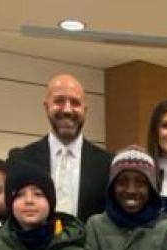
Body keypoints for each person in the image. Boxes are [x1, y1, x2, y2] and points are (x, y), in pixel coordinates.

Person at [7, 73, 113, 219]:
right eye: (59, 101)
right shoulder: (21, 160)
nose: (67, 110)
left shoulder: (108, 164)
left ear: (85, 110)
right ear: (46, 106)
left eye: (75, 102)